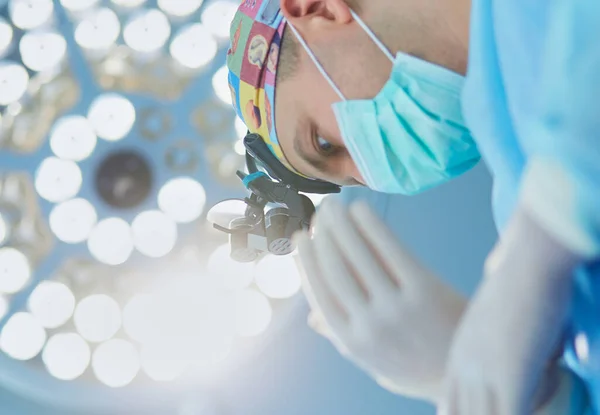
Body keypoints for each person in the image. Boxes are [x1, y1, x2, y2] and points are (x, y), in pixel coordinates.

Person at [225, 0, 600, 413]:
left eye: (324, 143)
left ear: (320, 9)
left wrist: (545, 238)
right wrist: (528, 397)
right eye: (353, 179)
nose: (371, 175)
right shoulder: (518, 192)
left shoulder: (537, 228)